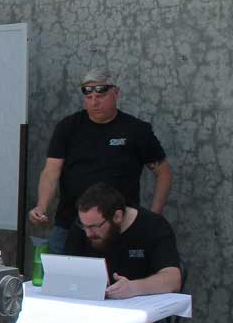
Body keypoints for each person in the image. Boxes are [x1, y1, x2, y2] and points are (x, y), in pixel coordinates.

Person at [63, 183, 183, 323]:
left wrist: (134, 288)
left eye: (95, 227)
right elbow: (67, 268)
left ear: (117, 216)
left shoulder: (152, 227)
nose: (88, 233)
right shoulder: (84, 229)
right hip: (91, 317)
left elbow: (173, 279)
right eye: (84, 225)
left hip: (140, 321)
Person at [28, 68, 172, 254]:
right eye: (88, 97)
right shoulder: (68, 127)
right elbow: (51, 170)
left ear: (116, 93)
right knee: (64, 279)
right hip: (71, 223)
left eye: (101, 95)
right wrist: (42, 205)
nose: (94, 102)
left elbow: (163, 172)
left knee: (118, 281)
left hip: (118, 227)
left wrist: (154, 214)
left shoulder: (136, 130)